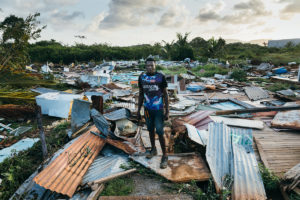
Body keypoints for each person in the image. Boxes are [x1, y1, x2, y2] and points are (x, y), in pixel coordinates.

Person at [137, 57, 169, 169]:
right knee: (150, 130)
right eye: (148, 65)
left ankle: (165, 155)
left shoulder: (160, 77)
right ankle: (153, 149)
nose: (150, 67)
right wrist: (138, 110)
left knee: (160, 132)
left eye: (152, 65)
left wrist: (167, 111)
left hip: (158, 109)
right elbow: (141, 94)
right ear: (145, 66)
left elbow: (165, 94)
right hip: (147, 110)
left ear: (155, 66)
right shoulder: (142, 77)